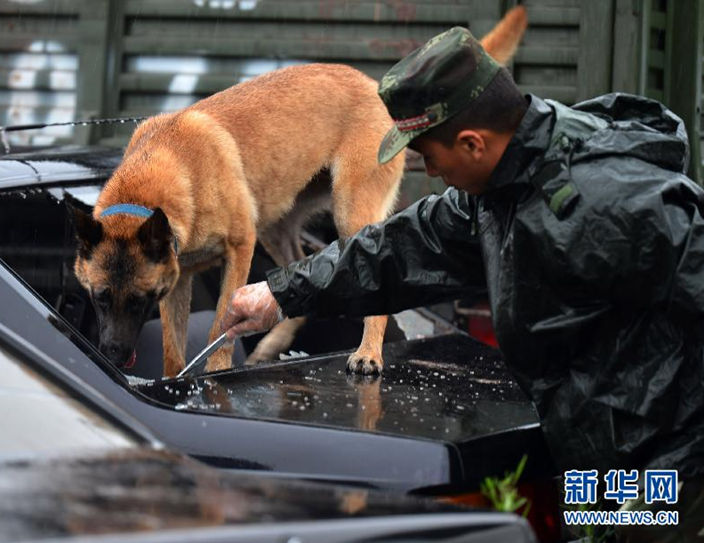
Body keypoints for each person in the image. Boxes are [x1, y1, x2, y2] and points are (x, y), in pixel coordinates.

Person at [220, 27, 703, 539]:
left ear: (472, 143)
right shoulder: (504, 187)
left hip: (671, 477)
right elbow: (403, 246)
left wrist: (662, 500)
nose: (426, 171)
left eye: (429, 156)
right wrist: (281, 292)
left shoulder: (615, 202)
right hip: (602, 473)